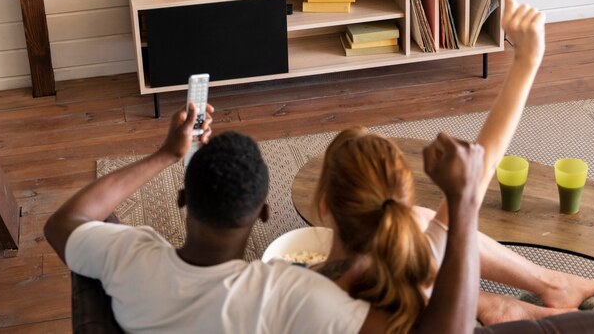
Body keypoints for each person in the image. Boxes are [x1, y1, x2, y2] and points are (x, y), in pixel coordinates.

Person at [44, 102, 485, 333]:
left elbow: (66, 221)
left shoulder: (131, 259)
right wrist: (464, 201)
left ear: (181, 198)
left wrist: (165, 154)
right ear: (264, 213)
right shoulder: (285, 296)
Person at [313, 0, 594, 327]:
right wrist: (528, 59)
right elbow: (482, 164)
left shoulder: (299, 290)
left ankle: (501, 306)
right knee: (423, 219)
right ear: (402, 201)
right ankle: (505, 303)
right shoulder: (427, 255)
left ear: (325, 204)